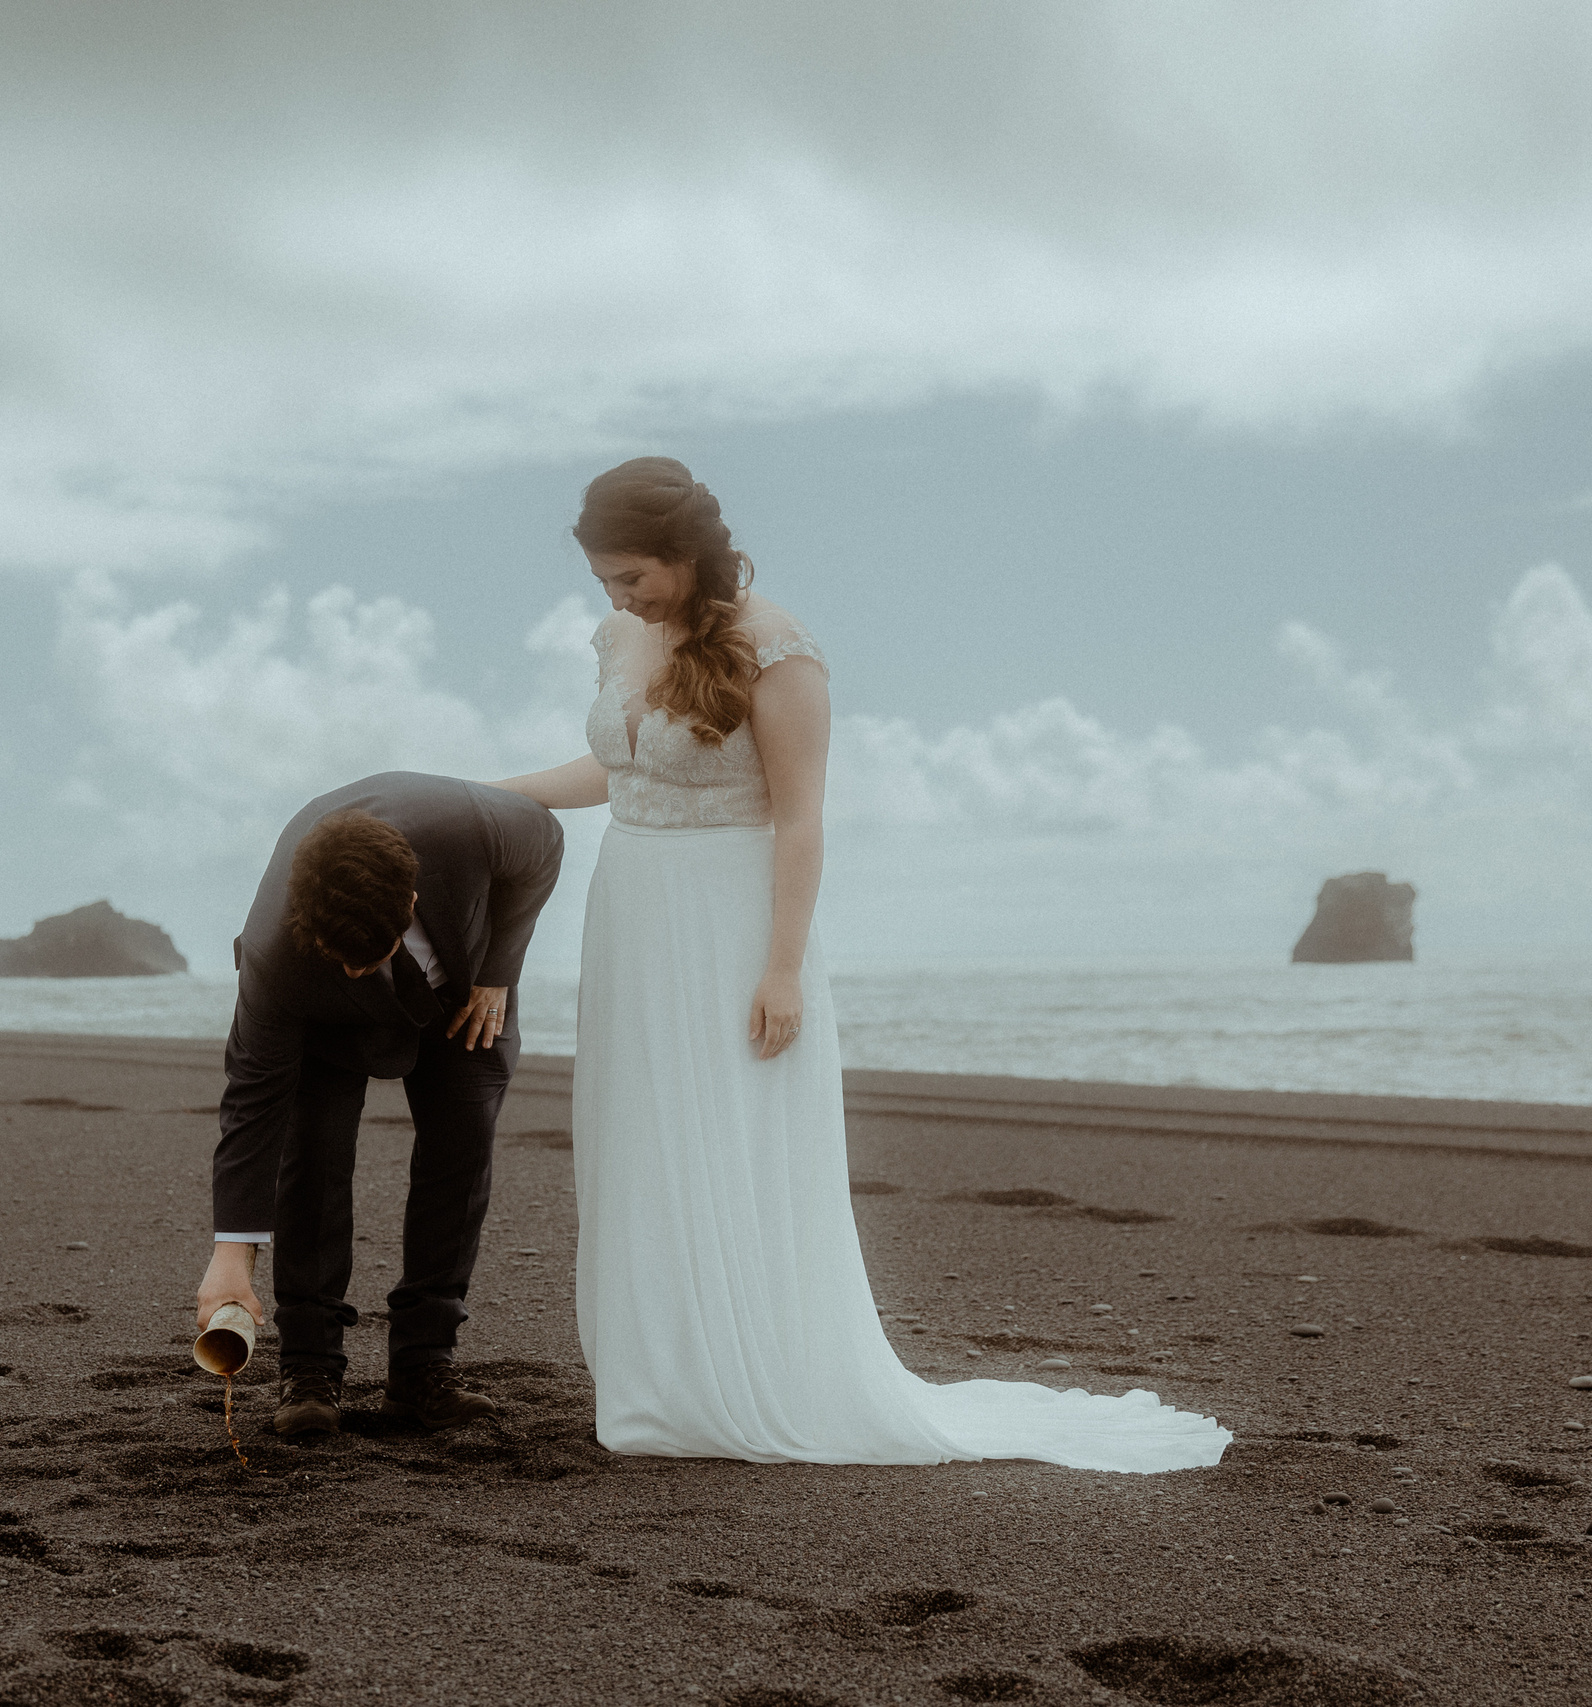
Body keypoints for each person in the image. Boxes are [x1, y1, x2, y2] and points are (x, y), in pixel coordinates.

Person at [491, 457, 1229, 1471]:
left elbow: (799, 820)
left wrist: (781, 968)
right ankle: (664, 1382)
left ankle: (757, 1374)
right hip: (632, 911)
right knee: (644, 1133)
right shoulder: (619, 638)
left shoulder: (776, 648)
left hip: (733, 912)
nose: (620, 599)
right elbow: (617, 769)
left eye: (633, 578)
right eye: (606, 582)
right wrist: (492, 793)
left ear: (683, 553)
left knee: (734, 1138)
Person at [194, 772, 563, 1438]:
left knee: (463, 1145)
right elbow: (252, 1102)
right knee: (314, 1155)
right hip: (326, 1017)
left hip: (466, 988)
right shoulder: (278, 955)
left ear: (412, 898)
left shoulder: (474, 825)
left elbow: (546, 847)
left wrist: (499, 967)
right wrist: (231, 1249)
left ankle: (424, 1366)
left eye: (374, 954)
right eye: (347, 959)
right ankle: (309, 1366)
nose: (360, 968)